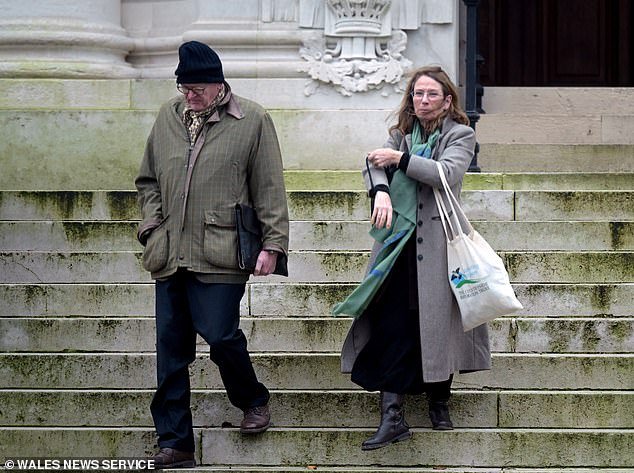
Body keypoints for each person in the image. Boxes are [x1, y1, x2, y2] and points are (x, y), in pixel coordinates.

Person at [135, 40, 289, 469]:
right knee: (170, 351)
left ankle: (252, 399)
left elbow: (269, 187)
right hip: (170, 251)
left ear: (219, 84)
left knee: (220, 336)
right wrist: (152, 224)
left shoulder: (252, 119)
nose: (190, 96)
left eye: (198, 89)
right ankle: (175, 442)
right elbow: (148, 180)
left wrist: (273, 244)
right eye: (184, 88)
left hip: (222, 251)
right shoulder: (167, 117)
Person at [333, 65, 491, 450]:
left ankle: (439, 400)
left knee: (438, 324)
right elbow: (374, 164)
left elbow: (446, 173)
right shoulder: (400, 135)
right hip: (397, 247)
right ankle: (392, 417)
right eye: (418, 94)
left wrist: (399, 161)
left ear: (447, 101)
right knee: (391, 324)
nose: (423, 101)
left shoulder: (460, 134)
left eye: (432, 94)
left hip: (440, 247)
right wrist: (381, 192)